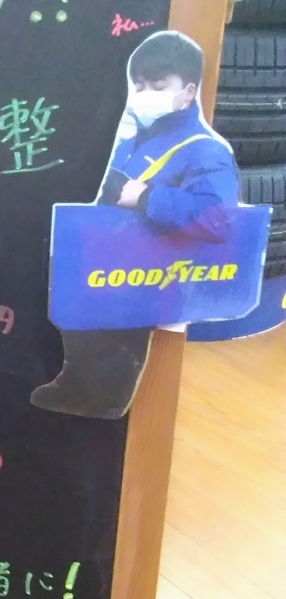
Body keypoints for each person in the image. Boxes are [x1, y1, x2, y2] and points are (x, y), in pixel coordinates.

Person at [31, 30, 240, 419]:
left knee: (117, 336)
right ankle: (75, 381)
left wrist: (147, 197)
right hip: (102, 257)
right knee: (79, 321)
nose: (146, 94)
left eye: (159, 85)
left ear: (188, 92)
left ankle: (105, 397)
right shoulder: (134, 139)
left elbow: (218, 219)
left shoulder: (205, 150)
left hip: (143, 270)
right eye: (140, 85)